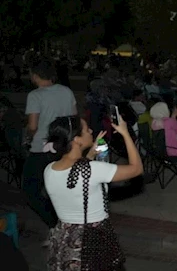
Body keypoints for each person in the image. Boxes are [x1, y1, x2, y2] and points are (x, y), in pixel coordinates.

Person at [44, 114, 143, 270]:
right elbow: (136, 169)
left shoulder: (49, 169)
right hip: (92, 240)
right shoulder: (93, 170)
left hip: (64, 239)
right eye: (85, 129)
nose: (90, 130)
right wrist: (125, 134)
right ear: (76, 140)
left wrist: (90, 153)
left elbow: (78, 178)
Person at [24, 60, 78, 232]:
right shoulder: (66, 91)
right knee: (57, 190)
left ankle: (55, 225)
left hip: (42, 148)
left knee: (30, 191)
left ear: (34, 75)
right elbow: (74, 118)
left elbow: (33, 126)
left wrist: (28, 135)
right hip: (62, 147)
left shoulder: (35, 95)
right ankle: (63, 224)